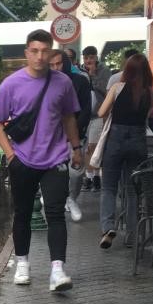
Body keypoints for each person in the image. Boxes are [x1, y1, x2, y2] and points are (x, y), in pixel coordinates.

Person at [0, 29, 82, 292]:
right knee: (22, 213)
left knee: (55, 213)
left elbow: (68, 117)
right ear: (26, 53)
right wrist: (11, 155)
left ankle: (57, 270)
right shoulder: (11, 84)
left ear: (52, 53)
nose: (40, 56)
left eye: (44, 51)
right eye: (34, 51)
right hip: (23, 160)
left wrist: (76, 148)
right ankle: (22, 263)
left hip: (55, 158)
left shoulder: (63, 83)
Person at [97, 53, 153, 249]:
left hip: (116, 139)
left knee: (108, 188)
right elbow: (148, 115)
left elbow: (101, 112)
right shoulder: (150, 92)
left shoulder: (117, 87)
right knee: (132, 191)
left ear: (127, 70)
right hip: (138, 141)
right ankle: (132, 235)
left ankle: (107, 228)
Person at [50, 50, 91, 223]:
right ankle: (59, 200)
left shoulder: (80, 81)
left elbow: (86, 109)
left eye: (59, 63)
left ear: (66, 63)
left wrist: (74, 132)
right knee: (56, 173)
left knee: (75, 173)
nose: (56, 68)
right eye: (52, 65)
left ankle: (72, 198)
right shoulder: (46, 83)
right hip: (53, 137)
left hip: (76, 136)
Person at [81, 46, 111, 192]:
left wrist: (93, 76)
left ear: (96, 57)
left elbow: (107, 91)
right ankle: (89, 177)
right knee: (86, 148)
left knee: (93, 146)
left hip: (98, 114)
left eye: (91, 57)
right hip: (84, 115)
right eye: (86, 58)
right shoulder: (80, 71)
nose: (89, 61)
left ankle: (96, 177)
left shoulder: (104, 71)